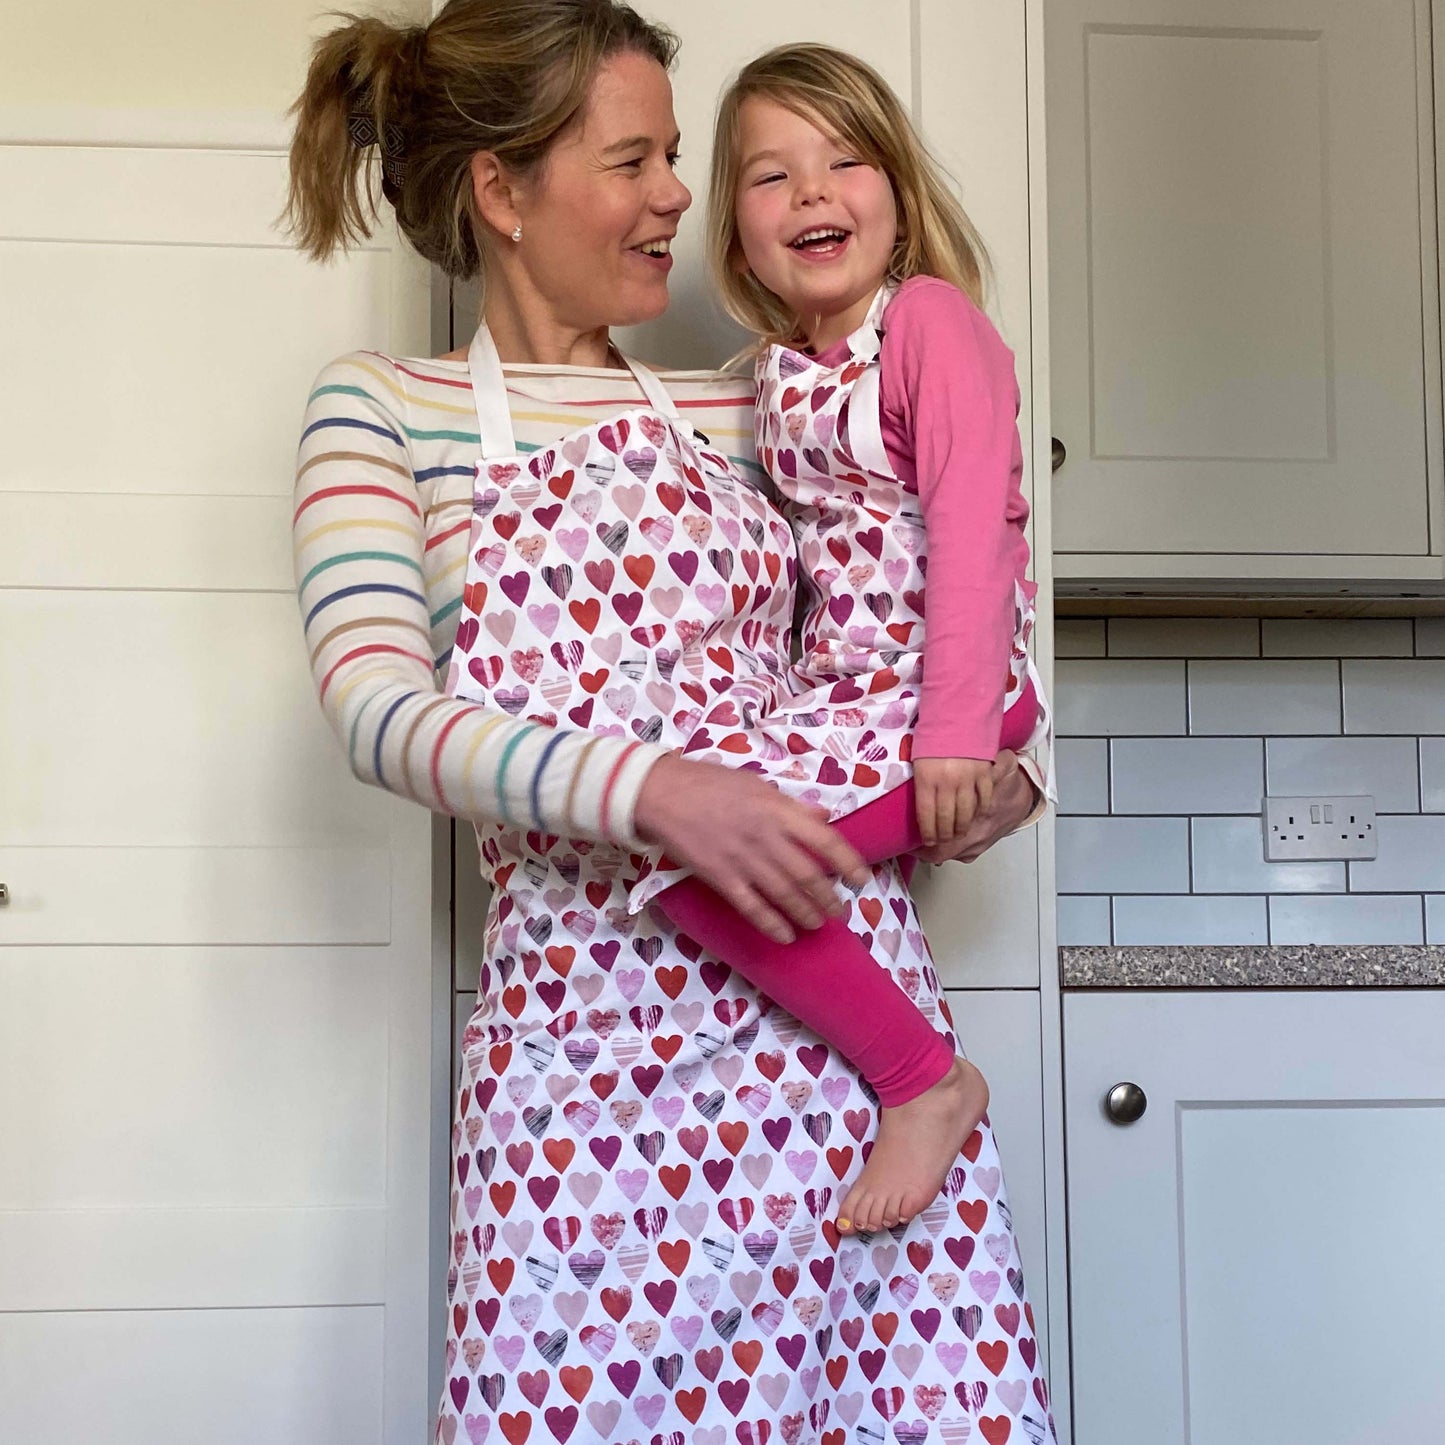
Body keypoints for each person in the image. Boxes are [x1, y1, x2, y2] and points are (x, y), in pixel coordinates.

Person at [286, 4, 1056, 1443]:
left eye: (675, 158)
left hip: (837, 1044)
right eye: (633, 159)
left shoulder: (754, 405)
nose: (677, 196)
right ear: (502, 192)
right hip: (584, 1069)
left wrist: (991, 770)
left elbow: (908, 607)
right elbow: (380, 714)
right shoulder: (386, 411)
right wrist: (655, 793)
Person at [630, 43, 1056, 1239]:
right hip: (841, 697)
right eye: (770, 177)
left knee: (715, 869)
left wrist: (958, 733)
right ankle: (914, 1078)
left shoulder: (931, 325)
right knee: (705, 849)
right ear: (737, 232)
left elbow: (973, 528)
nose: (812, 193)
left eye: (844, 160)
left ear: (898, 191)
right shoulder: (774, 373)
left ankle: (927, 1083)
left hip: (933, 697)